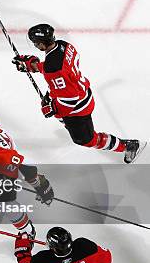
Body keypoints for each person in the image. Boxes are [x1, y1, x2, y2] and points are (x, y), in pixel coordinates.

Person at [12, 23, 146, 163]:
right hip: (82, 90)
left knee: (86, 140)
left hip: (78, 107)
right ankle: (70, 123)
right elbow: (60, 69)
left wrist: (53, 108)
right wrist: (32, 65)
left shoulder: (53, 68)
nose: (35, 46)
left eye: (35, 43)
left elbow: (70, 98)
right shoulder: (64, 45)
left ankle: (128, 146)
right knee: (60, 114)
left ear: (40, 44)